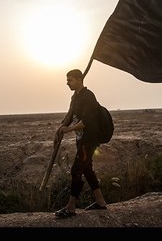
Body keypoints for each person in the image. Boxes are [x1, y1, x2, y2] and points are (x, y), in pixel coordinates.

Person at [54, 69, 107, 218]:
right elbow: (69, 115)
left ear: (79, 79)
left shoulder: (88, 96)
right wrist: (59, 130)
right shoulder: (75, 97)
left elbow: (87, 120)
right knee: (87, 170)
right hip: (81, 140)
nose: (67, 83)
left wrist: (69, 129)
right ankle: (100, 201)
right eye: (67, 80)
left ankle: (70, 207)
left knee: (76, 170)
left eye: (70, 80)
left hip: (89, 140)